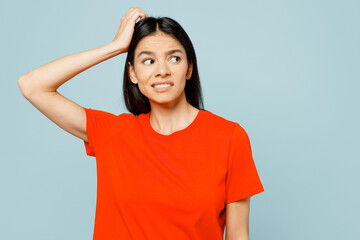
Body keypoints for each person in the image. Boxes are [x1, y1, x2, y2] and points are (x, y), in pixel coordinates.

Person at [18, 7, 264, 240]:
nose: (162, 71)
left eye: (174, 59)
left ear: (189, 68)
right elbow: (32, 85)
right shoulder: (111, 133)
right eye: (148, 61)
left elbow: (238, 235)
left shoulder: (229, 137)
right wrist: (115, 47)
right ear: (133, 73)